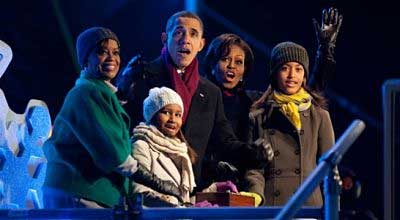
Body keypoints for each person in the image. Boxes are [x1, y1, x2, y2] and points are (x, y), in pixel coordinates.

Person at [116, 11, 270, 191]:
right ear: (165, 38)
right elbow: (121, 129)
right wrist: (123, 89)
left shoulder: (210, 92)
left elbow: (224, 141)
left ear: (201, 44)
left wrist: (253, 153)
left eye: (193, 34)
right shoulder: (141, 77)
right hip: (146, 186)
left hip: (188, 190)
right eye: (179, 32)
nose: (186, 39)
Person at [201, 7, 342, 187]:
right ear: (212, 64)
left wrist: (325, 52)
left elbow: (302, 93)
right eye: (225, 59)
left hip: (241, 187)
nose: (231, 66)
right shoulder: (199, 98)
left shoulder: (253, 102)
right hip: (205, 183)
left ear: (244, 70)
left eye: (238, 62)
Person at [42, 27, 181, 208]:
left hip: (87, 193)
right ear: (85, 59)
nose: (112, 58)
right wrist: (157, 183)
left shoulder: (98, 92)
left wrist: (122, 93)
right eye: (102, 52)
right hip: (79, 191)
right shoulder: (87, 93)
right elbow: (115, 154)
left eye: (116, 52)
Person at [245, 41, 335, 207]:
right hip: (272, 205)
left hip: (308, 204)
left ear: (304, 76)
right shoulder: (257, 117)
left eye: (298, 69)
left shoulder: (320, 116)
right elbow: (255, 169)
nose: (292, 75)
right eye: (285, 68)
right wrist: (255, 197)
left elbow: (329, 169)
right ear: (274, 73)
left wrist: (333, 208)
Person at [130, 86, 197, 207]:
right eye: (166, 112)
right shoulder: (141, 145)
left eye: (178, 115)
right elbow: (138, 192)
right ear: (153, 115)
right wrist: (173, 207)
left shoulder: (180, 151)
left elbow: (183, 198)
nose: (173, 119)